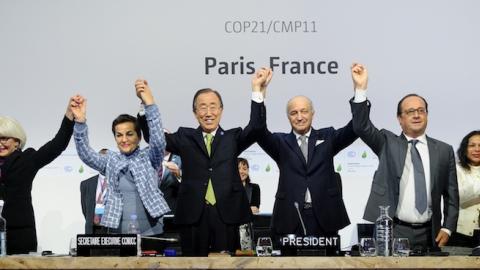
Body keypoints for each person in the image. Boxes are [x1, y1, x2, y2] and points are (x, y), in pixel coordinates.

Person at [349, 63, 459, 252]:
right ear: (400, 119)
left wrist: (448, 227)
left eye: (421, 110)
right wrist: (360, 89)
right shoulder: (387, 143)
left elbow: (451, 195)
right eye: (410, 112)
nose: (416, 115)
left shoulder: (444, 150)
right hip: (394, 230)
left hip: (431, 232)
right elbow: (361, 126)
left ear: (427, 115)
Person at [163, 70, 267, 256]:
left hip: (228, 215)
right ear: (195, 112)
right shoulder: (185, 137)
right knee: (192, 265)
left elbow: (257, 127)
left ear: (221, 110)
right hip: (194, 215)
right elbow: (153, 138)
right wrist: (145, 105)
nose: (208, 112)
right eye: (202, 107)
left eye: (213, 106)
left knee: (231, 265)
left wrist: (257, 90)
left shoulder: (232, 137)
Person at [255, 67, 357, 239]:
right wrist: (259, 93)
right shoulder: (280, 142)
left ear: (312, 114)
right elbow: (257, 130)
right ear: (288, 117)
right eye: (294, 113)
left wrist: (359, 91)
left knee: (327, 265)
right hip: (290, 216)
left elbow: (355, 128)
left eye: (304, 111)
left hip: (325, 216)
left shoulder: (328, 136)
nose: (299, 117)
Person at [72, 79, 170, 237]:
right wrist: (80, 123)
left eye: (129, 134)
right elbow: (86, 154)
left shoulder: (149, 157)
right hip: (118, 233)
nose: (124, 139)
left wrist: (150, 104)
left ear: (139, 137)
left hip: (152, 232)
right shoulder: (111, 160)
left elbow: (158, 140)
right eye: (119, 135)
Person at [0, 97, 76, 254]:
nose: (0, 143)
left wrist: (69, 116)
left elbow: (57, 145)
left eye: (4, 138)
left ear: (17, 141)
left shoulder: (26, 160)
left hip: (19, 234)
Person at [449, 130, 480, 247]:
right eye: (472, 145)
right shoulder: (456, 169)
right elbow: (458, 196)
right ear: (464, 148)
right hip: (459, 234)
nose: (477, 149)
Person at [80, 148, 108, 234]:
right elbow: (85, 210)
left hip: (113, 231)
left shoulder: (121, 182)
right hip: (93, 231)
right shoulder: (86, 184)